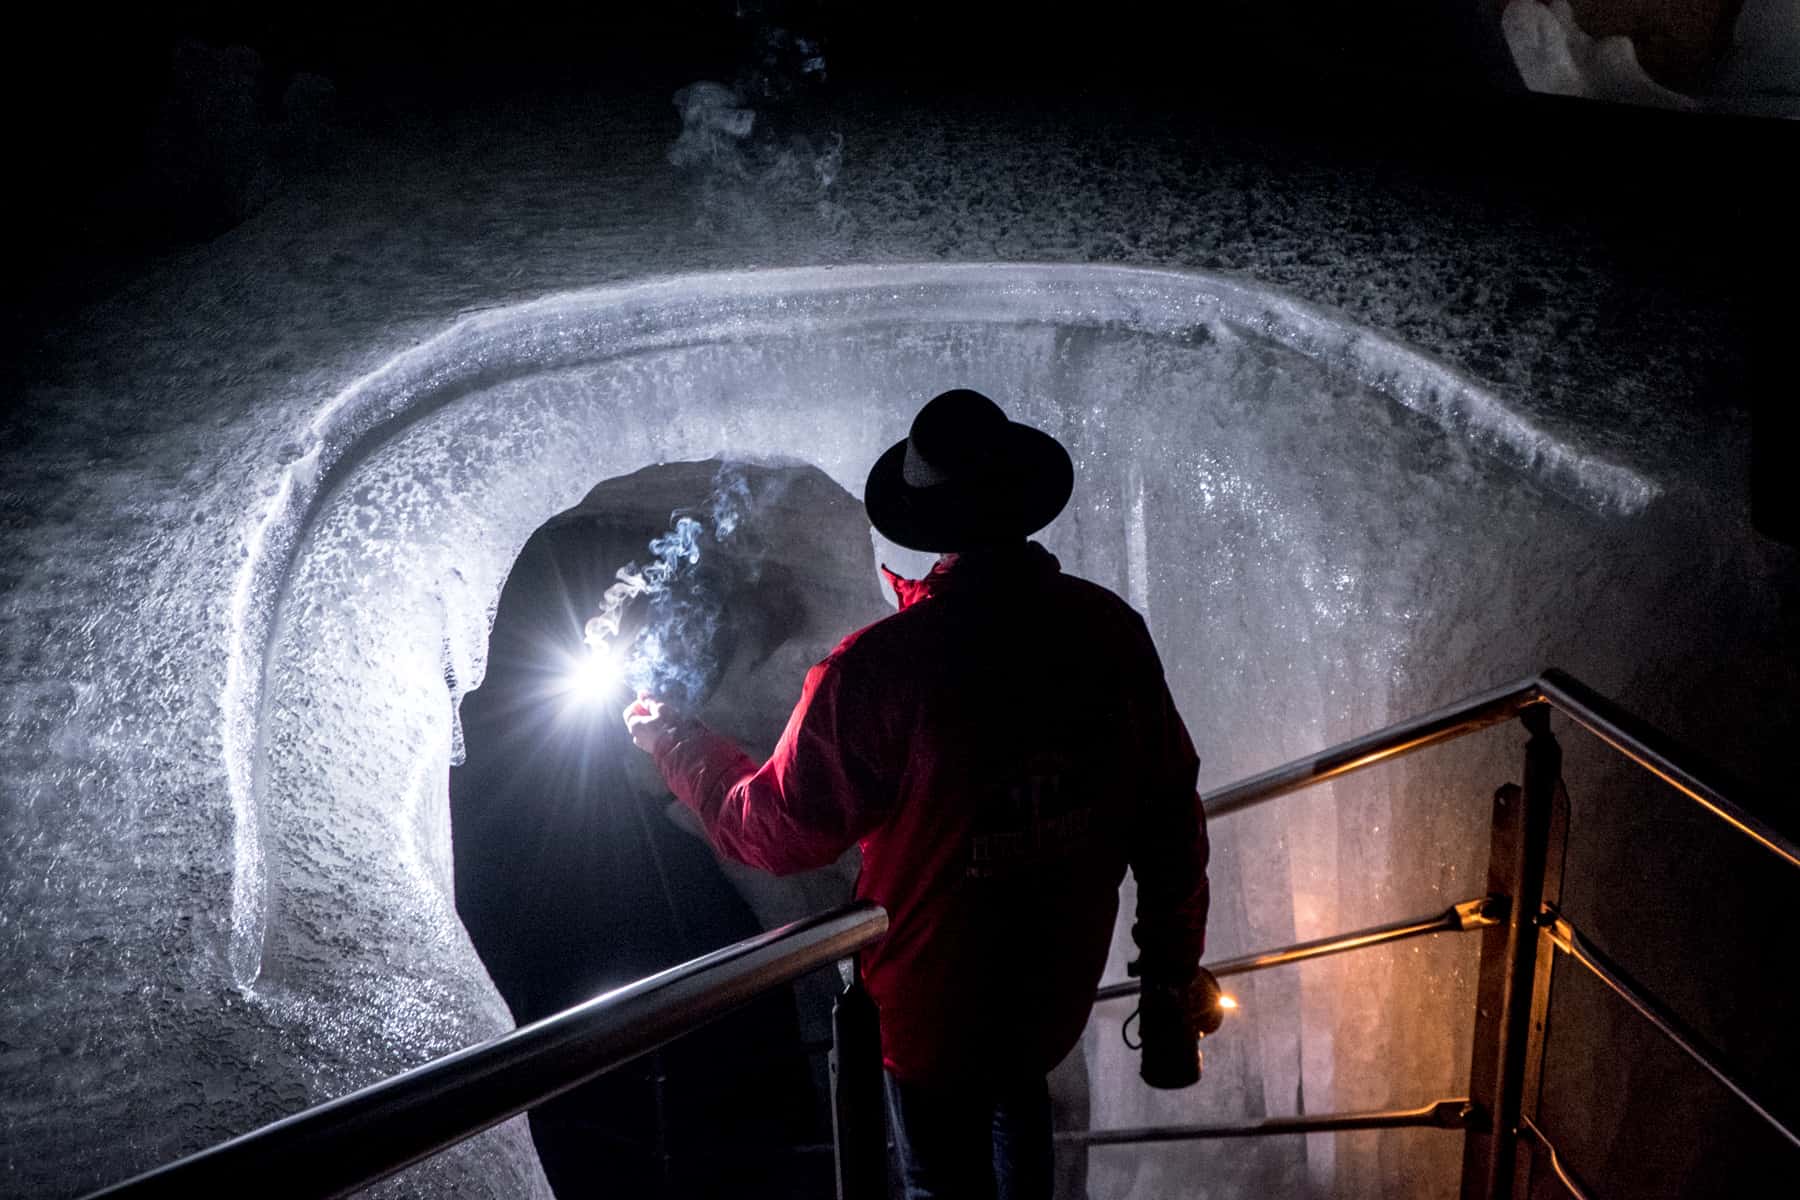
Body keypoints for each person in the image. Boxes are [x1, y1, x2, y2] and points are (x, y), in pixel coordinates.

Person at [624, 388, 1214, 1200]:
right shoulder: (1104, 630)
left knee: (939, 1181)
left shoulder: (876, 671)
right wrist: (1173, 968)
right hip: (1051, 991)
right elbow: (1170, 813)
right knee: (1020, 1110)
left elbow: (775, 831)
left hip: (934, 1011)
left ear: (927, 528)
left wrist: (676, 742)